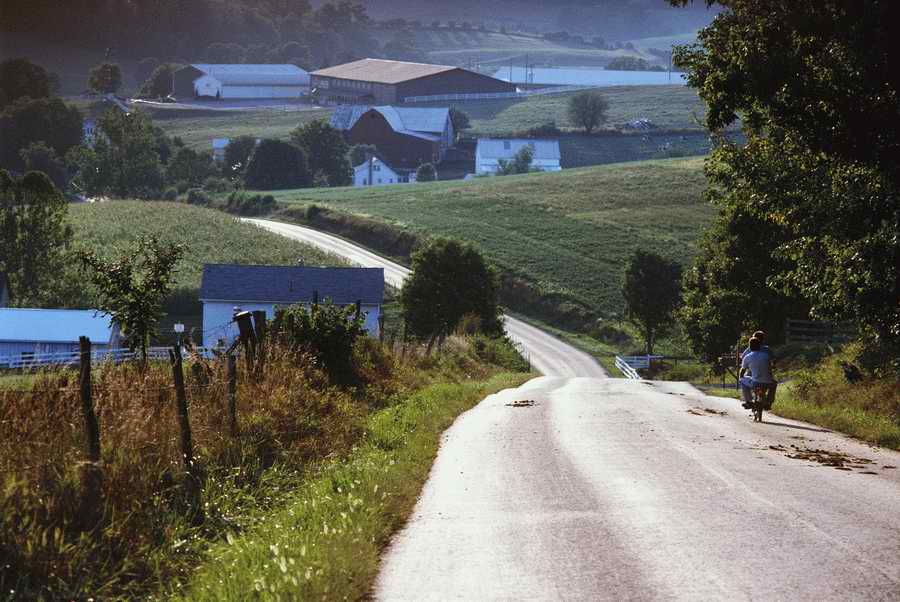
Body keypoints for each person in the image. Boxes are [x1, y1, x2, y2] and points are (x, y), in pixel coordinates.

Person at [739, 336, 777, 409]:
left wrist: (741, 377)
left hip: (755, 382)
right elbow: (772, 364)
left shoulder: (747, 357)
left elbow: (742, 371)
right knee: (774, 384)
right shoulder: (766, 355)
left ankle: (749, 401)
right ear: (760, 346)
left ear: (750, 347)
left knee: (742, 380)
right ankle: (769, 402)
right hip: (768, 382)